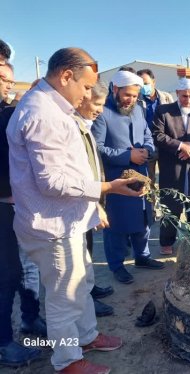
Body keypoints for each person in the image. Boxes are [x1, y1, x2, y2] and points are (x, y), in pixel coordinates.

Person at [7, 47, 143, 373]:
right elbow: (52, 181)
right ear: (66, 76)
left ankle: (86, 336)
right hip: (51, 225)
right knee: (63, 297)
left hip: (68, 219)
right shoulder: (43, 114)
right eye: (84, 87)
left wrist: (93, 201)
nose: (86, 95)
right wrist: (106, 188)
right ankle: (68, 360)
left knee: (80, 283)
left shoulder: (55, 106)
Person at [92, 70, 164, 285]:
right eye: (127, 95)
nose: (131, 99)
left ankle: (142, 257)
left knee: (143, 219)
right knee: (117, 225)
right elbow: (98, 149)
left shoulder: (138, 110)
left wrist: (148, 150)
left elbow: (147, 135)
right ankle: (117, 265)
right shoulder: (103, 113)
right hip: (117, 179)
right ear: (115, 90)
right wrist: (127, 155)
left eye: (134, 96)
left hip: (141, 174)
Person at [0, 59, 43, 368]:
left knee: (26, 269)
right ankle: (3, 343)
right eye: (2, 78)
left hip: (17, 206)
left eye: (10, 80)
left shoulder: (8, 115)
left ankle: (30, 320)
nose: (8, 84)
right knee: (6, 275)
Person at [152, 78, 190, 255]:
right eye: (184, 96)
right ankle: (167, 242)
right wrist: (180, 146)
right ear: (177, 94)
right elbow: (157, 135)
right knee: (171, 205)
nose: (188, 100)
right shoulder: (164, 111)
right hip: (172, 168)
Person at [75, 80, 115, 317]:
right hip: (78, 201)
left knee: (87, 249)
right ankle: (85, 301)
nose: (100, 110)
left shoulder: (85, 124)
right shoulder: (72, 126)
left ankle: (90, 290)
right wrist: (94, 203)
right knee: (78, 256)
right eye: (97, 104)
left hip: (89, 197)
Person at [137, 68, 174, 215]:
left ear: (154, 82)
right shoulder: (137, 100)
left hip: (165, 144)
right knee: (149, 179)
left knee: (167, 178)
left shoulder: (166, 97)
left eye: (145, 83)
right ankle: (151, 210)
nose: (143, 87)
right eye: (140, 84)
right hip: (147, 145)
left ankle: (168, 210)